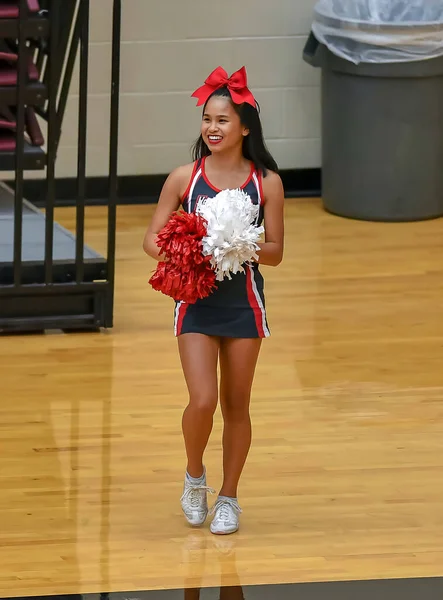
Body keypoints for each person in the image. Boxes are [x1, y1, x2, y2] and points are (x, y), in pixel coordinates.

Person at [143, 66, 284, 535]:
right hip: (196, 300)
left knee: (237, 405)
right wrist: (194, 244)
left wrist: (240, 244)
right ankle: (194, 476)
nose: (212, 128)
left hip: (244, 303)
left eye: (223, 120)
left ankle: (229, 497)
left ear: (246, 127)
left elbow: (277, 252)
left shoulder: (267, 184)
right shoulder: (185, 177)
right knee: (202, 399)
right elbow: (151, 240)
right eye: (207, 119)